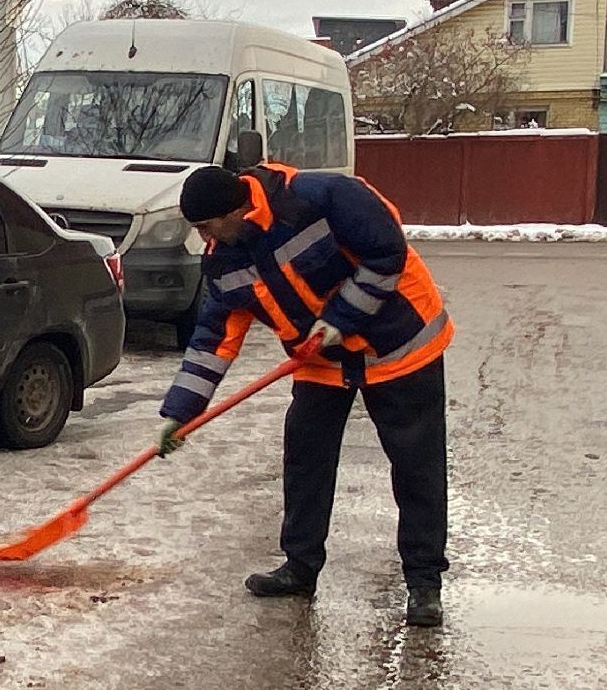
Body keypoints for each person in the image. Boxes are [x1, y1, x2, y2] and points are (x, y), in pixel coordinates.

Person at [156, 163, 453, 626]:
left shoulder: (319, 196)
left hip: (399, 345)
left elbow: (386, 251)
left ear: (236, 209)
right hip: (320, 362)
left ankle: (423, 582)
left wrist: (341, 318)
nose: (203, 237)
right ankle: (300, 566)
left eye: (206, 225)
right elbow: (213, 337)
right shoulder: (223, 257)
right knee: (305, 462)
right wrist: (183, 411)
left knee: (417, 467)